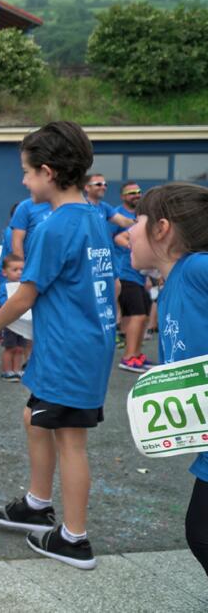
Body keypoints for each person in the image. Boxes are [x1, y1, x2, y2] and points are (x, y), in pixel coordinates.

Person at [0, 121, 115, 570]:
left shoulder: (54, 227)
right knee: (35, 417)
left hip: (67, 353)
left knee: (70, 440)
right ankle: (38, 504)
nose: (23, 182)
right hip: (85, 346)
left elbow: (25, 292)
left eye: (26, 172)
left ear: (47, 172)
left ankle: (75, 539)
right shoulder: (95, 219)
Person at [127, 182, 208, 576]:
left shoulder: (195, 268)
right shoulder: (172, 282)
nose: (127, 231)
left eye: (135, 221)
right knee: (200, 533)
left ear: (161, 229)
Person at [110, 181, 151, 372]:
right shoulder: (116, 215)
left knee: (142, 317)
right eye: (131, 192)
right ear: (122, 196)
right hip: (124, 273)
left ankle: (136, 354)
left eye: (138, 191)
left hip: (140, 275)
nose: (136, 194)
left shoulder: (141, 215)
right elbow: (112, 239)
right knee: (138, 316)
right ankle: (129, 357)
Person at [0, 253, 27, 381]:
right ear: (5, 272)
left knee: (19, 348)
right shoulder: (4, 288)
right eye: (15, 270)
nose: (19, 273)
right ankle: (7, 371)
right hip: (9, 323)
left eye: (22, 269)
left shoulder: (25, 287)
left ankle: (17, 369)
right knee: (10, 348)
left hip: (22, 322)